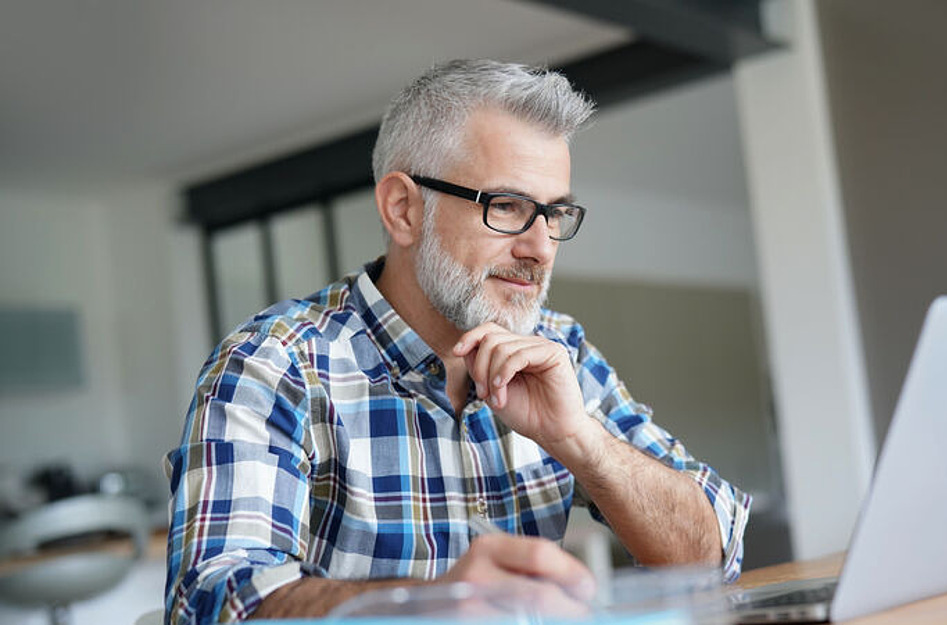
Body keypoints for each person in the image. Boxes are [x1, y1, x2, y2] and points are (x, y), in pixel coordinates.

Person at [164, 59, 750, 623]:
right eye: (508, 207)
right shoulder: (275, 364)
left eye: (555, 215)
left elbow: (713, 555)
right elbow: (210, 602)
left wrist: (580, 440)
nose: (541, 248)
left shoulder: (559, 349)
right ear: (403, 210)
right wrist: (433, 606)